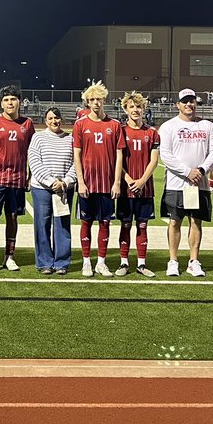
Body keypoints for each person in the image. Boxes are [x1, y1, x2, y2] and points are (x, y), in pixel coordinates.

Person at [157, 88, 213, 277]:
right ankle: (173, 260)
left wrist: (201, 171)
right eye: (185, 101)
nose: (189, 104)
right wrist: (187, 172)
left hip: (198, 184)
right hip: (177, 183)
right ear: (178, 104)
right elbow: (165, 155)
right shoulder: (168, 126)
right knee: (175, 221)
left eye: (192, 101)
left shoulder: (207, 126)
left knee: (196, 221)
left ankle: (193, 261)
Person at [73, 81, 126, 278]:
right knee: (86, 222)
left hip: (106, 183)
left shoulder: (114, 125)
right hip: (87, 182)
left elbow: (119, 155)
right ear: (87, 102)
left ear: (105, 100)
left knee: (105, 223)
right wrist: (80, 180)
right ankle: (86, 262)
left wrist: (117, 182)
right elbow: (76, 154)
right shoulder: (81, 125)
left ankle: (101, 262)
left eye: (99, 99)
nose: (96, 102)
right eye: (92, 99)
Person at [0, 85, 36, 272]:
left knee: (12, 216)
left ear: (19, 102)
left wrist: (31, 175)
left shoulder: (27, 123)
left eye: (13, 99)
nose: (10, 103)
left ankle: (9, 257)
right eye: (6, 100)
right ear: (1, 103)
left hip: (18, 179)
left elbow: (33, 151)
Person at [27, 107, 76, 274]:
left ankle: (61, 263)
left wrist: (65, 182)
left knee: (62, 225)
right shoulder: (38, 137)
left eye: (57, 118)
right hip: (42, 188)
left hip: (64, 189)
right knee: (42, 224)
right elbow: (34, 162)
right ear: (45, 120)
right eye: (50, 118)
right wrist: (51, 182)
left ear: (61, 119)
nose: (54, 121)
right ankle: (44, 262)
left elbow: (76, 163)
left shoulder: (71, 139)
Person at [116, 91, 159, 277]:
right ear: (125, 109)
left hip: (145, 189)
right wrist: (127, 179)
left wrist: (142, 181)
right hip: (126, 189)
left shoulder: (152, 132)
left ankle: (141, 263)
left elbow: (154, 160)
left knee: (142, 226)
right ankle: (123, 262)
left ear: (144, 109)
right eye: (131, 107)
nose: (135, 110)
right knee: (125, 225)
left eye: (138, 107)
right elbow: (117, 160)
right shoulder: (121, 131)